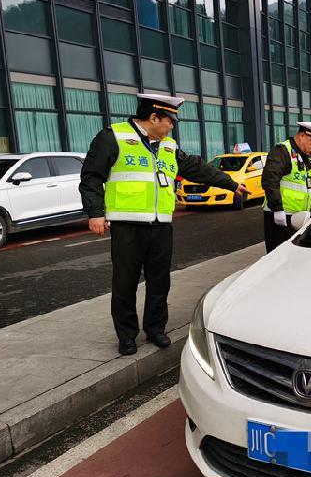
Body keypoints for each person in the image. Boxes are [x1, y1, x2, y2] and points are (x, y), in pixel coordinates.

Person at [79, 93, 250, 356]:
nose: (172, 126)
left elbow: (196, 168)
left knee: (159, 282)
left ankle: (156, 328)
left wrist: (230, 183)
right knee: (124, 283)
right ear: (154, 117)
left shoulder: (168, 146)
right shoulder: (113, 137)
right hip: (127, 225)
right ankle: (126, 336)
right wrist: (95, 213)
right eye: (169, 121)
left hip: (161, 226)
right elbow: (91, 176)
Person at [261, 122, 311, 253]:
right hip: (279, 218)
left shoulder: (306, 159)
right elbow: (270, 180)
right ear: (301, 135)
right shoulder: (282, 151)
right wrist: (278, 209)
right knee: (277, 257)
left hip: (298, 219)